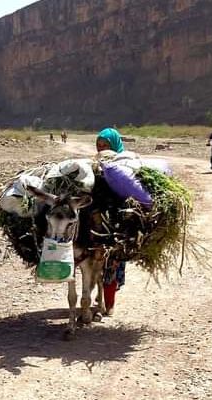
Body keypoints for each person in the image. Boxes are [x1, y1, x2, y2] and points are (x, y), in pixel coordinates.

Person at [95, 127, 127, 315]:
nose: (102, 149)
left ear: (114, 145)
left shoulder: (125, 163)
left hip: (116, 218)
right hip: (98, 217)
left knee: (112, 261)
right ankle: (95, 297)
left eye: (106, 145)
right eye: (99, 145)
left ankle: (109, 303)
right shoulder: (94, 163)